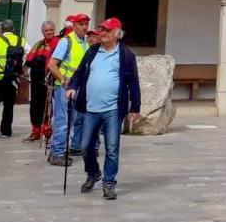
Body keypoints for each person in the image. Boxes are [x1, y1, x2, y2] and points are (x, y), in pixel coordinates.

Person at [67, 17, 140, 200]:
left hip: (113, 109)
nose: (103, 33)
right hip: (91, 108)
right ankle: (93, 172)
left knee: (112, 148)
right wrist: (72, 87)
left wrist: (135, 108)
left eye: (107, 30)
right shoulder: (92, 51)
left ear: (116, 34)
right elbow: (80, 72)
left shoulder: (125, 55)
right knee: (85, 146)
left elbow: (134, 83)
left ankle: (109, 183)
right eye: (102, 29)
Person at [47, 13, 90, 166]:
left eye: (86, 24)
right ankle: (58, 152)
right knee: (63, 120)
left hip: (77, 88)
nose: (84, 27)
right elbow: (52, 64)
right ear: (74, 25)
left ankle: (57, 151)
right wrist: (63, 79)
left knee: (70, 120)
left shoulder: (85, 41)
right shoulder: (67, 41)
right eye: (81, 24)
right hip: (64, 88)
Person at [23, 20, 56, 142]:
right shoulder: (38, 44)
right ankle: (35, 130)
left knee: (47, 106)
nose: (49, 32)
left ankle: (47, 130)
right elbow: (29, 60)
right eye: (46, 30)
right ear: (42, 31)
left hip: (48, 80)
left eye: (51, 30)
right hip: (35, 80)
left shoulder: (57, 43)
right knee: (35, 106)